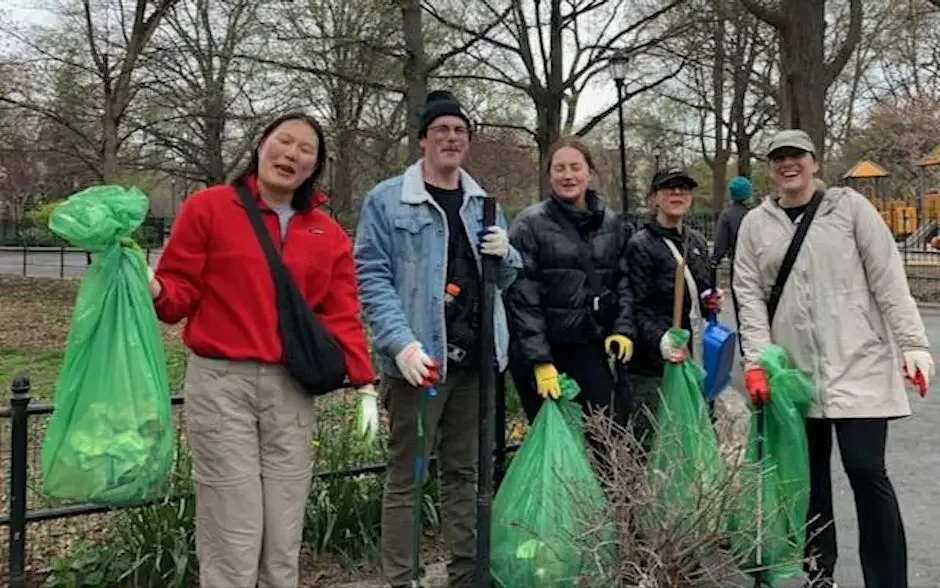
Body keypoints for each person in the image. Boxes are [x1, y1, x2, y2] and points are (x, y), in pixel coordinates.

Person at [148, 112, 376, 587]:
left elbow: (340, 313)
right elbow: (179, 293)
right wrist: (154, 288)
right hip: (222, 385)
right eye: (284, 141)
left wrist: (365, 384)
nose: (291, 154)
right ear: (261, 145)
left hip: (290, 389)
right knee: (233, 529)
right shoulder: (209, 208)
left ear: (314, 167)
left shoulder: (328, 234)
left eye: (305, 150)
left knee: (282, 534)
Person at [733, 129, 935, 588]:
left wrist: (914, 344)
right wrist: (758, 363)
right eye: (780, 158)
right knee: (810, 480)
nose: (789, 165)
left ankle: (887, 580)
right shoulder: (756, 225)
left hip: (859, 363)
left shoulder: (849, 209)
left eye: (797, 156)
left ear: (815, 162)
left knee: (867, 471)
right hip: (795, 373)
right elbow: (749, 297)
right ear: (771, 167)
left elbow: (888, 278)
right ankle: (819, 573)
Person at [352, 89, 522, 588]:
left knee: (464, 473)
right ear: (423, 138)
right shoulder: (389, 200)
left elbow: (504, 279)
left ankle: (465, 574)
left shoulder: (482, 204)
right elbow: (371, 276)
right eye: (441, 129)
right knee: (408, 476)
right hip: (420, 364)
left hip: (475, 363)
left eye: (460, 130)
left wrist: (507, 255)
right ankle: (401, 579)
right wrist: (400, 343)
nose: (451, 138)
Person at [503, 136, 635, 429]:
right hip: (545, 347)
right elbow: (522, 298)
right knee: (554, 441)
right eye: (559, 168)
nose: (568, 175)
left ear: (590, 172)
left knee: (610, 432)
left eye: (576, 167)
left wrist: (622, 329)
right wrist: (539, 360)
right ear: (549, 175)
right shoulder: (528, 225)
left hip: (588, 344)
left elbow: (623, 282)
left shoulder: (611, 224)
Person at [623, 167, 721, 449]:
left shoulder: (696, 242)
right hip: (653, 369)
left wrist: (710, 301)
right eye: (669, 188)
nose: (677, 193)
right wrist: (660, 339)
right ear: (654, 197)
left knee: (696, 444)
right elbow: (636, 306)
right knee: (656, 446)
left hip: (693, 360)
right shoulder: (641, 246)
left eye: (684, 188)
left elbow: (701, 292)